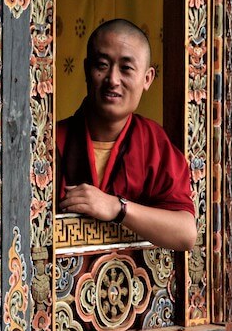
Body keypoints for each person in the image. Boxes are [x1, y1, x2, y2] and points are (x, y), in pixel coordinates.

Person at [57, 18, 196, 251]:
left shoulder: (154, 143)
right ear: (86, 70)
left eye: (126, 68)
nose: (112, 80)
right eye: (102, 65)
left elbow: (185, 233)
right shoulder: (52, 142)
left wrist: (117, 208)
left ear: (147, 78)